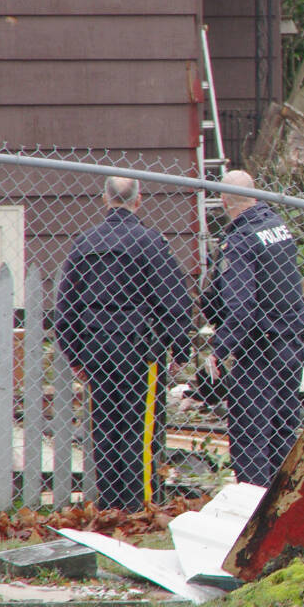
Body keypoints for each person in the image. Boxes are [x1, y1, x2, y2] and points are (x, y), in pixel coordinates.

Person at [55, 176, 194, 511]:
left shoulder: (85, 244)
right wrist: (180, 347)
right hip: (140, 348)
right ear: (138, 199)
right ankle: (139, 507)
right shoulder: (150, 243)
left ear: (105, 199)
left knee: (104, 427)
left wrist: (75, 355)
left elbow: (65, 308)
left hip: (96, 348)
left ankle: (109, 505)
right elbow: (175, 300)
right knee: (140, 428)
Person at [204, 170, 304, 486]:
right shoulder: (277, 227)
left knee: (250, 436)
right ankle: (281, 508)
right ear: (255, 195)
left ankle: (252, 510)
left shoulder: (240, 242)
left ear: (223, 200)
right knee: (282, 430)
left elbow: (241, 309)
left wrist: (219, 349)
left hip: (260, 352)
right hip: (291, 345)